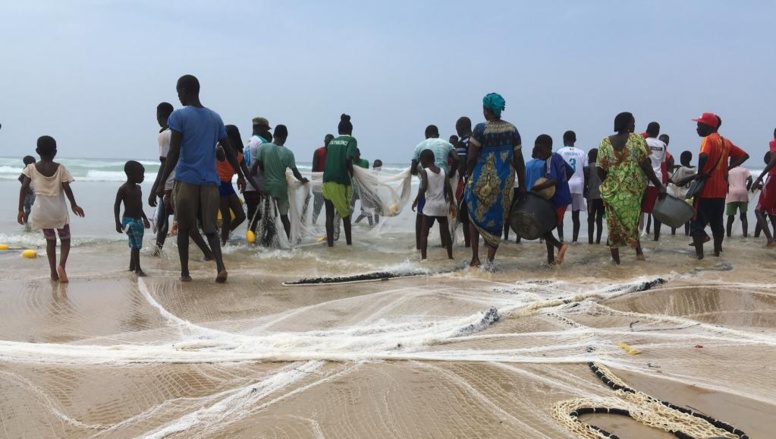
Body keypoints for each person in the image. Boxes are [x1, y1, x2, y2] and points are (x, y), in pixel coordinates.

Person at [156, 75, 258, 283]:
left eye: (178, 92)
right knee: (210, 227)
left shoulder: (178, 117)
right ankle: (220, 267)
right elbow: (229, 152)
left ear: (184, 90)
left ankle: (185, 273)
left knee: (184, 228)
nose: (178, 96)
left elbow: (174, 153)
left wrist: (160, 182)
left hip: (186, 180)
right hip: (211, 182)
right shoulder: (215, 118)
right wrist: (239, 174)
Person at [464, 93, 525, 267]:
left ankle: (475, 258)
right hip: (504, 182)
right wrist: (522, 184)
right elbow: (519, 159)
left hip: (480, 181)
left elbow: (471, 158)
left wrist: (469, 176)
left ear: (486, 110)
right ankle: (489, 261)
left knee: (473, 216)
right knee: (498, 219)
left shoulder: (480, 129)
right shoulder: (512, 130)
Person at [597, 112, 666, 264]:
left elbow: (599, 168)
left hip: (612, 193)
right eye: (633, 122)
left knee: (613, 225)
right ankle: (639, 254)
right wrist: (659, 185)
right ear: (627, 124)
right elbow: (645, 165)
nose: (634, 125)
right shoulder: (636, 140)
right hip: (633, 192)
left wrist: (609, 183)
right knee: (633, 222)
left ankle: (616, 263)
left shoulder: (604, 142)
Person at [148, 102, 213, 260]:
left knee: (184, 224)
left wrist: (157, 186)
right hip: (190, 181)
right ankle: (157, 251)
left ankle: (208, 253)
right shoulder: (182, 132)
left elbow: (165, 163)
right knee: (166, 222)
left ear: (161, 116)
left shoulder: (164, 135)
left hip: (172, 184)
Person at [18, 136, 85, 282]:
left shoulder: (31, 168)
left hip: (41, 210)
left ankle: (53, 273)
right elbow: (67, 188)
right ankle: (61, 266)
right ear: (55, 152)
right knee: (65, 239)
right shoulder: (60, 168)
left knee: (50, 241)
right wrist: (74, 204)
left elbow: (23, 188)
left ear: (37, 151)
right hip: (58, 209)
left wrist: (20, 210)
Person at [689, 113, 749, 259]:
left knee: (696, 222)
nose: (697, 128)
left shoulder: (708, 139)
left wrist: (701, 173)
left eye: (699, 125)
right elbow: (744, 155)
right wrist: (727, 169)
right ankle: (716, 253)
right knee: (717, 223)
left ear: (709, 126)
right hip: (721, 191)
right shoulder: (725, 142)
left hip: (706, 189)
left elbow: (703, 156)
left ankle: (699, 256)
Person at [257, 124, 308, 240]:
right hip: (281, 188)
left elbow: (259, 167)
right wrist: (302, 180)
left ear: (274, 135)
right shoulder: (288, 153)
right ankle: (292, 242)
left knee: (268, 216)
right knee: (284, 217)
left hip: (268, 187)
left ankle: (267, 241)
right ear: (285, 137)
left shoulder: (263, 148)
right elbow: (295, 172)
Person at [411, 125, 457, 250]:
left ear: (426, 135)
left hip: (427, 185)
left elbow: (412, 169)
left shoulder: (420, 145)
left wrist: (420, 173)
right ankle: (445, 246)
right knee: (443, 219)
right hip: (443, 183)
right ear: (438, 134)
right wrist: (451, 172)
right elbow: (456, 158)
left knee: (421, 216)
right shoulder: (447, 144)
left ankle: (419, 247)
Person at [530, 135, 572, 265]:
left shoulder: (550, 160)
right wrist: (563, 185)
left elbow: (553, 180)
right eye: (538, 152)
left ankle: (560, 246)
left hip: (557, 200)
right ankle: (550, 260)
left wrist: (537, 188)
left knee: (544, 229)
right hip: (564, 198)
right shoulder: (558, 156)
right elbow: (570, 171)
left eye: (541, 151)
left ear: (548, 148)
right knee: (547, 227)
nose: (540, 154)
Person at [412, 149, 455, 260]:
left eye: (421, 160)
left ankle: (424, 258)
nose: (421, 162)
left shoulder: (425, 171)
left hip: (430, 206)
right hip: (441, 206)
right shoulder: (443, 171)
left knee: (424, 233)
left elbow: (424, 187)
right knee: (446, 233)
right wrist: (452, 203)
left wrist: (416, 199)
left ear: (425, 160)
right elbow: (448, 188)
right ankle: (450, 257)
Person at [322, 114, 357, 247]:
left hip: (326, 180)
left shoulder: (332, 142)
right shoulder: (351, 140)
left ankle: (330, 245)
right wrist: (352, 172)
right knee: (345, 214)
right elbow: (348, 158)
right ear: (351, 130)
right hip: (340, 181)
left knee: (329, 214)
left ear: (338, 130)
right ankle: (349, 244)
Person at [114, 161, 151, 276]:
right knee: (136, 244)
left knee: (135, 242)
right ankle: (138, 269)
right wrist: (117, 222)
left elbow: (139, 206)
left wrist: (144, 218)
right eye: (141, 174)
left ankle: (131, 266)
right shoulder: (123, 189)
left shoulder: (138, 189)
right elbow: (117, 205)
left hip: (138, 220)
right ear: (130, 174)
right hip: (128, 220)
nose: (143, 177)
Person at [216, 125, 248, 245]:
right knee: (226, 217)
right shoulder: (219, 150)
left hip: (228, 186)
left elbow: (246, 174)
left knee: (241, 216)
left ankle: (221, 235)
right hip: (218, 185)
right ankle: (222, 244)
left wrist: (258, 189)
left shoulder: (239, 154)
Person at [556, 130, 587, 242]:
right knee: (576, 215)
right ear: (575, 140)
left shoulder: (560, 151)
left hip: (565, 185)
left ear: (564, 140)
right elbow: (585, 170)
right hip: (578, 185)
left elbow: (557, 168)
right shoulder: (582, 153)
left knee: (561, 214)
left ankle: (561, 239)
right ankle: (575, 240)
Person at [244, 117, 272, 234]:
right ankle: (257, 245)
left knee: (252, 217)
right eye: (266, 129)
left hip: (248, 185)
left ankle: (251, 244)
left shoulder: (249, 142)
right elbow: (263, 165)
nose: (267, 132)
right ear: (260, 127)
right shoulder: (262, 142)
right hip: (259, 186)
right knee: (262, 217)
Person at [642, 122, 667, 241]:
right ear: (658, 132)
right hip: (658, 181)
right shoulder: (663, 145)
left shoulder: (643, 142)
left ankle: (636, 237)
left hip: (644, 181)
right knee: (656, 212)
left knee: (640, 210)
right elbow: (662, 164)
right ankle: (656, 238)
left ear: (647, 130)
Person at [751, 131, 776, 247]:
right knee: (772, 211)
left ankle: (770, 240)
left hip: (774, 176)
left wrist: (759, 177)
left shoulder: (773, 142)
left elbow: (774, 159)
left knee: (758, 210)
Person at [669, 151, 697, 236]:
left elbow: (673, 180)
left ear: (682, 159)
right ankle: (686, 234)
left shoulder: (681, 169)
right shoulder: (694, 169)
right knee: (688, 218)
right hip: (690, 197)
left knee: (674, 216)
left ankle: (673, 234)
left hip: (680, 197)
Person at [454, 117, 472, 247]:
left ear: (460, 128)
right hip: (483, 179)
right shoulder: (477, 140)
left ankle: (468, 245)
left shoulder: (462, 143)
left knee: (466, 217)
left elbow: (462, 165)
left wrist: (457, 178)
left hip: (469, 182)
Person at [312, 134, 334, 224]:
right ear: (324, 141)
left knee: (330, 207)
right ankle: (313, 225)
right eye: (326, 142)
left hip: (331, 184)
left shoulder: (334, 153)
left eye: (329, 142)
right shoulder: (318, 152)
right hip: (319, 184)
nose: (327, 144)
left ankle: (329, 226)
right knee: (317, 207)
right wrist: (314, 185)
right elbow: (314, 169)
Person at [584, 148, 604, 244]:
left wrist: (585, 194)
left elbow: (585, 183)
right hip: (602, 196)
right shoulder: (603, 167)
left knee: (591, 218)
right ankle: (598, 241)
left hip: (591, 197)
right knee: (599, 219)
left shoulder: (588, 168)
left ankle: (590, 241)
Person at [725, 165, 752, 237]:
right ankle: (745, 235)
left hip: (732, 194)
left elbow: (725, 183)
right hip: (743, 193)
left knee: (730, 217)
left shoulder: (728, 171)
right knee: (743, 216)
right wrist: (747, 188)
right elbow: (750, 180)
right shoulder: (744, 170)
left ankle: (728, 235)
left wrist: (728, 191)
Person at [18, 155, 36, 231]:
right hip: (30, 192)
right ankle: (26, 223)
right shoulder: (27, 169)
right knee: (34, 208)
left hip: (26, 193)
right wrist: (26, 185)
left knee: (28, 210)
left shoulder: (26, 169)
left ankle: (26, 223)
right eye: (34, 162)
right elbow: (20, 178)